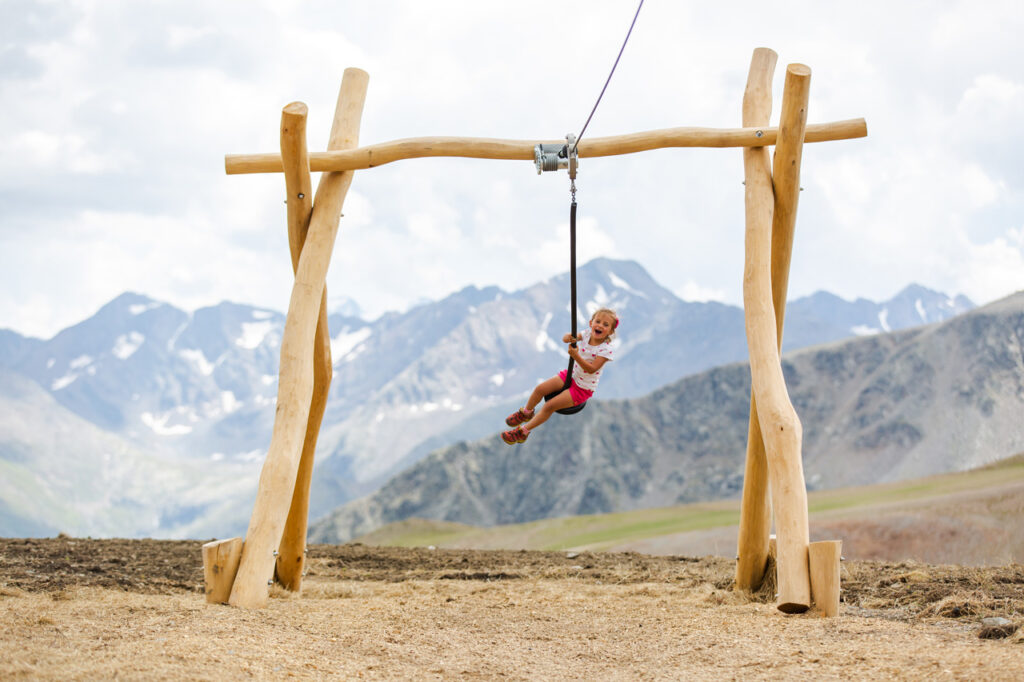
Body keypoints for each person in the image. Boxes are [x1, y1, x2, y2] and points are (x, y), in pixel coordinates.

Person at [501, 307, 619, 445]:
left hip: (583, 388)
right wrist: (568, 337)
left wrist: (576, 356)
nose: (600, 325)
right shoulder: (586, 334)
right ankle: (526, 412)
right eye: (598, 321)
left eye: (605, 325)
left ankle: (522, 432)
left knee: (549, 406)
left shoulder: (605, 350)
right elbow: (567, 338)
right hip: (571, 374)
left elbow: (591, 369)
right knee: (540, 389)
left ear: (610, 331)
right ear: (590, 323)